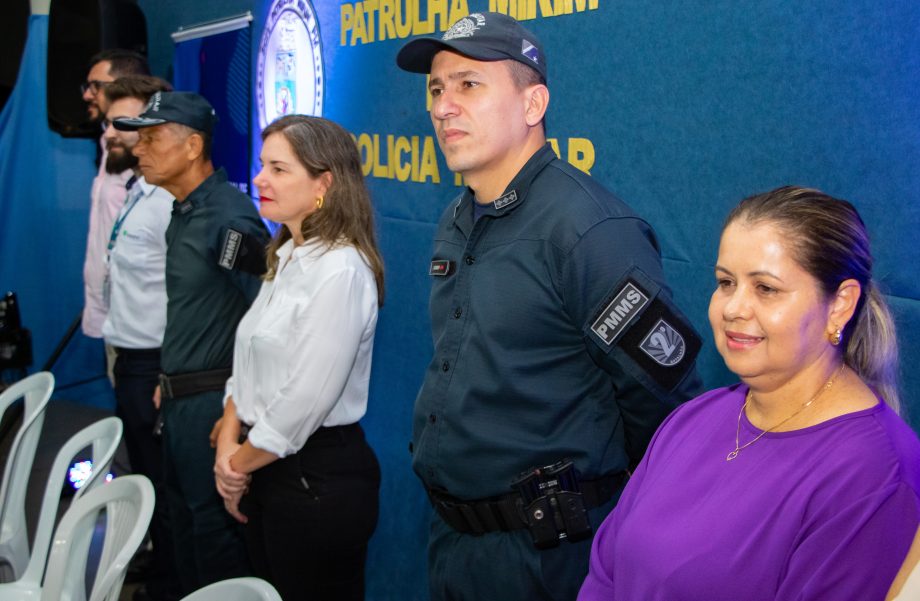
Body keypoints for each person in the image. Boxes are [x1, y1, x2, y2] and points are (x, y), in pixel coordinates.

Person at [396, 12, 702, 600]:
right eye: (436, 88)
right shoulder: (458, 217)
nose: (442, 106)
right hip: (454, 543)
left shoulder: (589, 230)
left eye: (468, 85)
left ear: (533, 104)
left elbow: (664, 400)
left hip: (546, 560)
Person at [579, 186, 920, 600]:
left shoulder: (874, 472)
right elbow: (606, 571)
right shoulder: (694, 418)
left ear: (840, 305)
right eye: (725, 282)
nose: (733, 308)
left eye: (766, 289)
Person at [213, 115, 383, 601]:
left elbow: (302, 404)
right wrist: (230, 440)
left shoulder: (341, 271)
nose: (261, 179)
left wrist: (235, 466)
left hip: (315, 481)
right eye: (262, 165)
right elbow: (246, 366)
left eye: (279, 169)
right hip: (265, 465)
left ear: (323, 184)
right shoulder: (286, 256)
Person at [114, 91, 269, 594]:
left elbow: (265, 313)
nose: (139, 150)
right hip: (179, 399)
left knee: (213, 541)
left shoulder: (227, 218)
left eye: (152, 138)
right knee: (181, 527)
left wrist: (235, 405)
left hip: (211, 407)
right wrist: (169, 376)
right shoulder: (183, 211)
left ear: (192, 146)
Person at [99, 75, 179, 601]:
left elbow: (186, 297)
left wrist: (166, 372)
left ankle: (173, 579)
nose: (120, 134)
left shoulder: (167, 203)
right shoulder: (138, 189)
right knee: (148, 475)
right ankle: (161, 560)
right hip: (129, 356)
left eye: (132, 126)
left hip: (153, 363)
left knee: (164, 479)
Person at [81, 49, 151, 341]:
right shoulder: (108, 142)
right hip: (109, 319)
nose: (87, 95)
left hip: (137, 325)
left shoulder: (141, 153)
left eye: (96, 86)